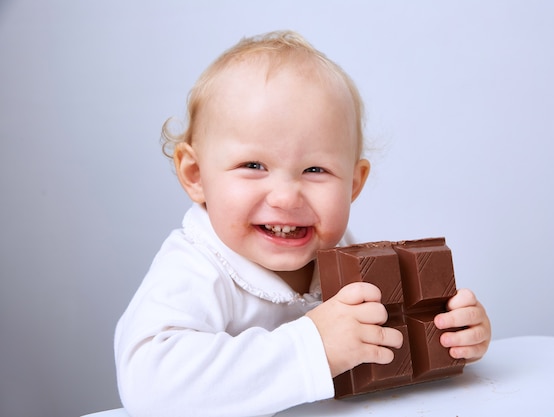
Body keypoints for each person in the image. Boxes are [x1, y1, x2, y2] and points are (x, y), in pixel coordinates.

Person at [114, 30, 491, 417]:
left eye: (315, 169)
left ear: (353, 184)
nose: (286, 197)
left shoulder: (347, 257)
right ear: (195, 174)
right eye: (253, 166)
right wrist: (312, 347)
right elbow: (149, 385)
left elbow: (391, 344)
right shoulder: (195, 267)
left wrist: (451, 331)